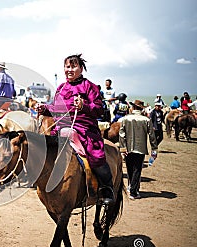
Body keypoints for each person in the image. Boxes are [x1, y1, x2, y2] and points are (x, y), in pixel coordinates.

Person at [36, 54, 114, 205]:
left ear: (81, 68)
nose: (69, 70)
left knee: (95, 154)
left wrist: (84, 106)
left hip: (83, 128)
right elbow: (55, 108)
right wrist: (44, 108)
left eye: (73, 66)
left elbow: (99, 110)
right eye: (67, 66)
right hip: (60, 126)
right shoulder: (61, 87)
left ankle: (106, 188)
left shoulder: (89, 86)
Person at [119, 100, 158, 200]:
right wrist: (154, 148)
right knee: (137, 169)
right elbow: (152, 136)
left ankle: (131, 187)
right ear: (141, 108)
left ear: (134, 108)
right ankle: (133, 191)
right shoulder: (146, 120)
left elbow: (122, 134)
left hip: (128, 148)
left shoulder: (126, 118)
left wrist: (123, 148)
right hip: (140, 148)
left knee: (129, 168)